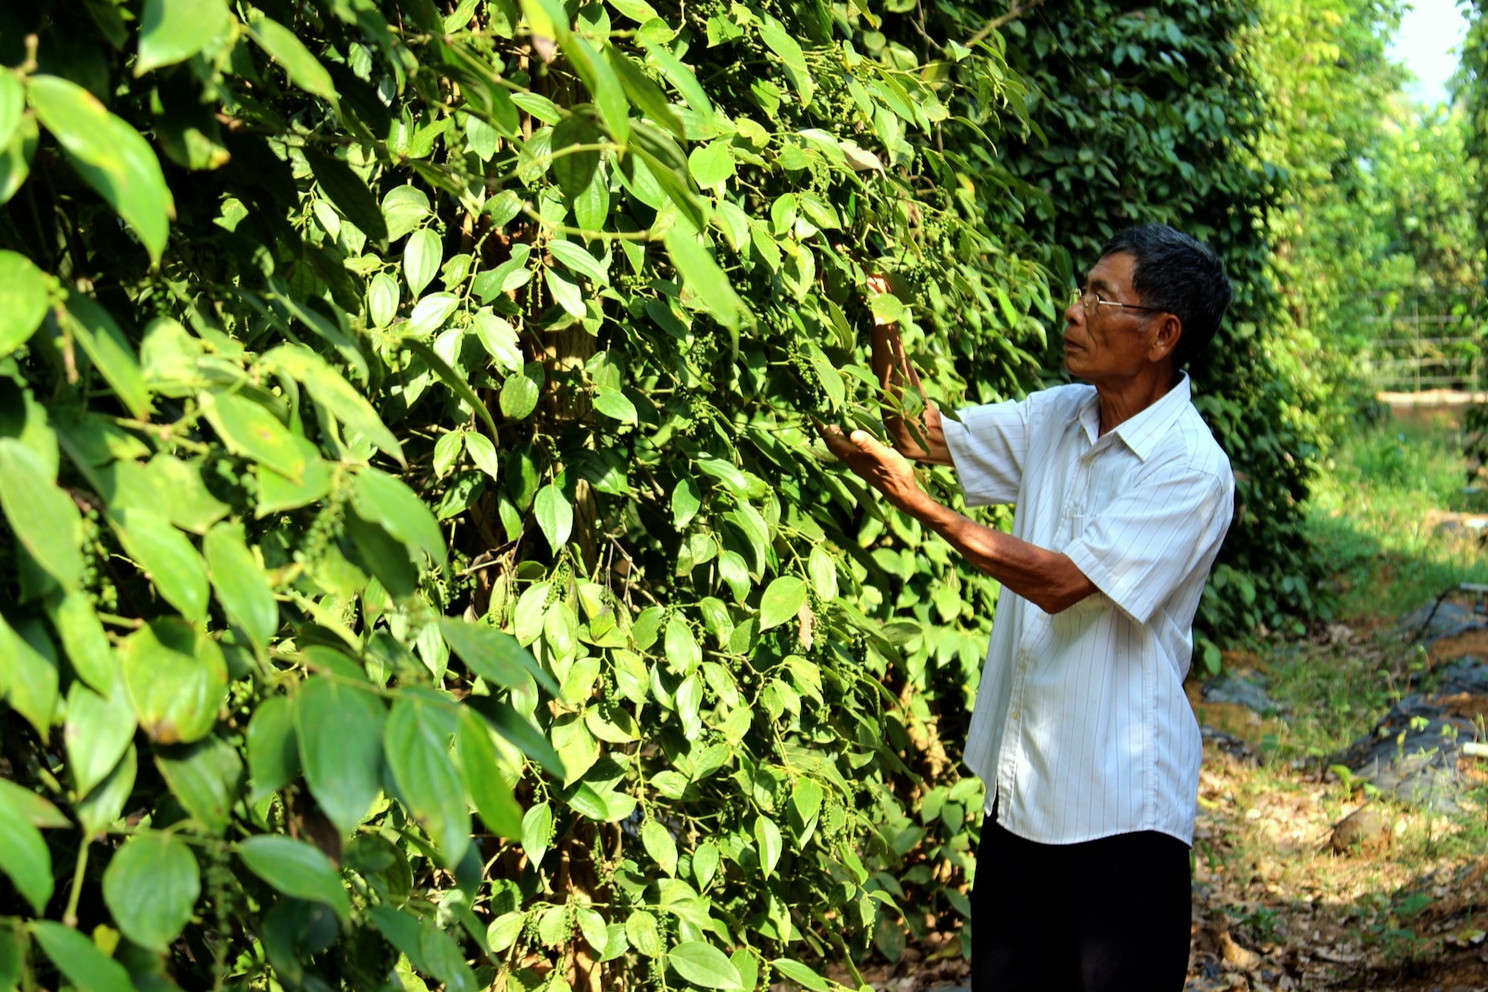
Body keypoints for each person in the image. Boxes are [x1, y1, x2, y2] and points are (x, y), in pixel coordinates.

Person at [819, 223, 1235, 991]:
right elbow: (918, 430)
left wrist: (922, 507)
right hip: (1022, 799)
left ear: (1162, 335)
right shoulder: (1060, 416)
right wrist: (882, 313)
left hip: (1121, 815)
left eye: (1100, 298)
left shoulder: (1191, 470)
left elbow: (1061, 581)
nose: (1074, 312)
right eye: (1081, 292)